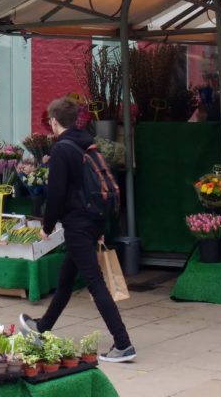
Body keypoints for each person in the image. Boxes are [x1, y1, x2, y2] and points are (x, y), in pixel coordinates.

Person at [19, 96, 136, 363]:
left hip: (78, 223)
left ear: (53, 121)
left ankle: (123, 344)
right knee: (65, 280)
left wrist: (46, 226)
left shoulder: (62, 149)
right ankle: (42, 326)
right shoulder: (87, 144)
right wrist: (101, 224)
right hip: (91, 220)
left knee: (95, 284)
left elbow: (56, 193)